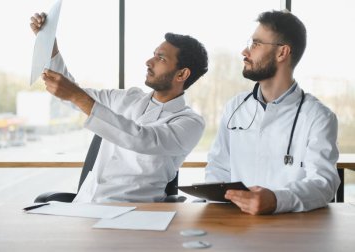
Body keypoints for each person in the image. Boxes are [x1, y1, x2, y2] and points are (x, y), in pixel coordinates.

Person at [30, 13, 208, 203]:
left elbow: (142, 139)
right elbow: (69, 94)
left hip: (135, 214)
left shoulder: (190, 122)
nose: (149, 62)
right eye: (153, 54)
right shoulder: (126, 98)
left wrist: (76, 95)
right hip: (84, 205)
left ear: (182, 74)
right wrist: (50, 44)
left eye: (161, 58)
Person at [205, 10, 340, 215]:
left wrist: (277, 200)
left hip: (290, 227)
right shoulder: (235, 107)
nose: (244, 51)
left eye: (256, 44)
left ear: (282, 53)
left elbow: (323, 183)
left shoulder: (318, 116)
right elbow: (217, 167)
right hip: (235, 224)